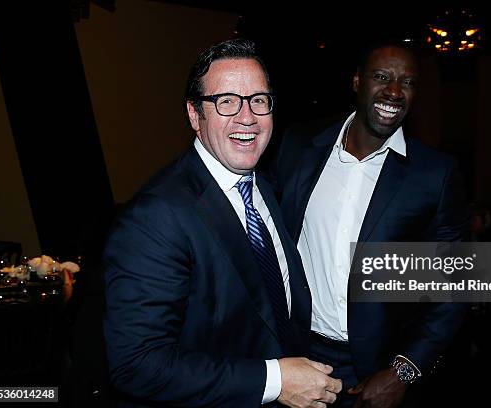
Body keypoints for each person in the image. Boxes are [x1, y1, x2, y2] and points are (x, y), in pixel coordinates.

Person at [103, 39, 341, 408]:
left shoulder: (260, 182)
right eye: (226, 101)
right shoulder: (156, 216)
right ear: (195, 115)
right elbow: (137, 364)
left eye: (259, 100)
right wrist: (275, 380)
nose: (247, 117)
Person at [274, 41, 468, 407]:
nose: (394, 91)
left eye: (407, 82)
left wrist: (403, 370)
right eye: (382, 77)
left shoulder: (435, 175)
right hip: (295, 353)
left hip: (377, 370)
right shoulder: (299, 147)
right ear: (357, 81)